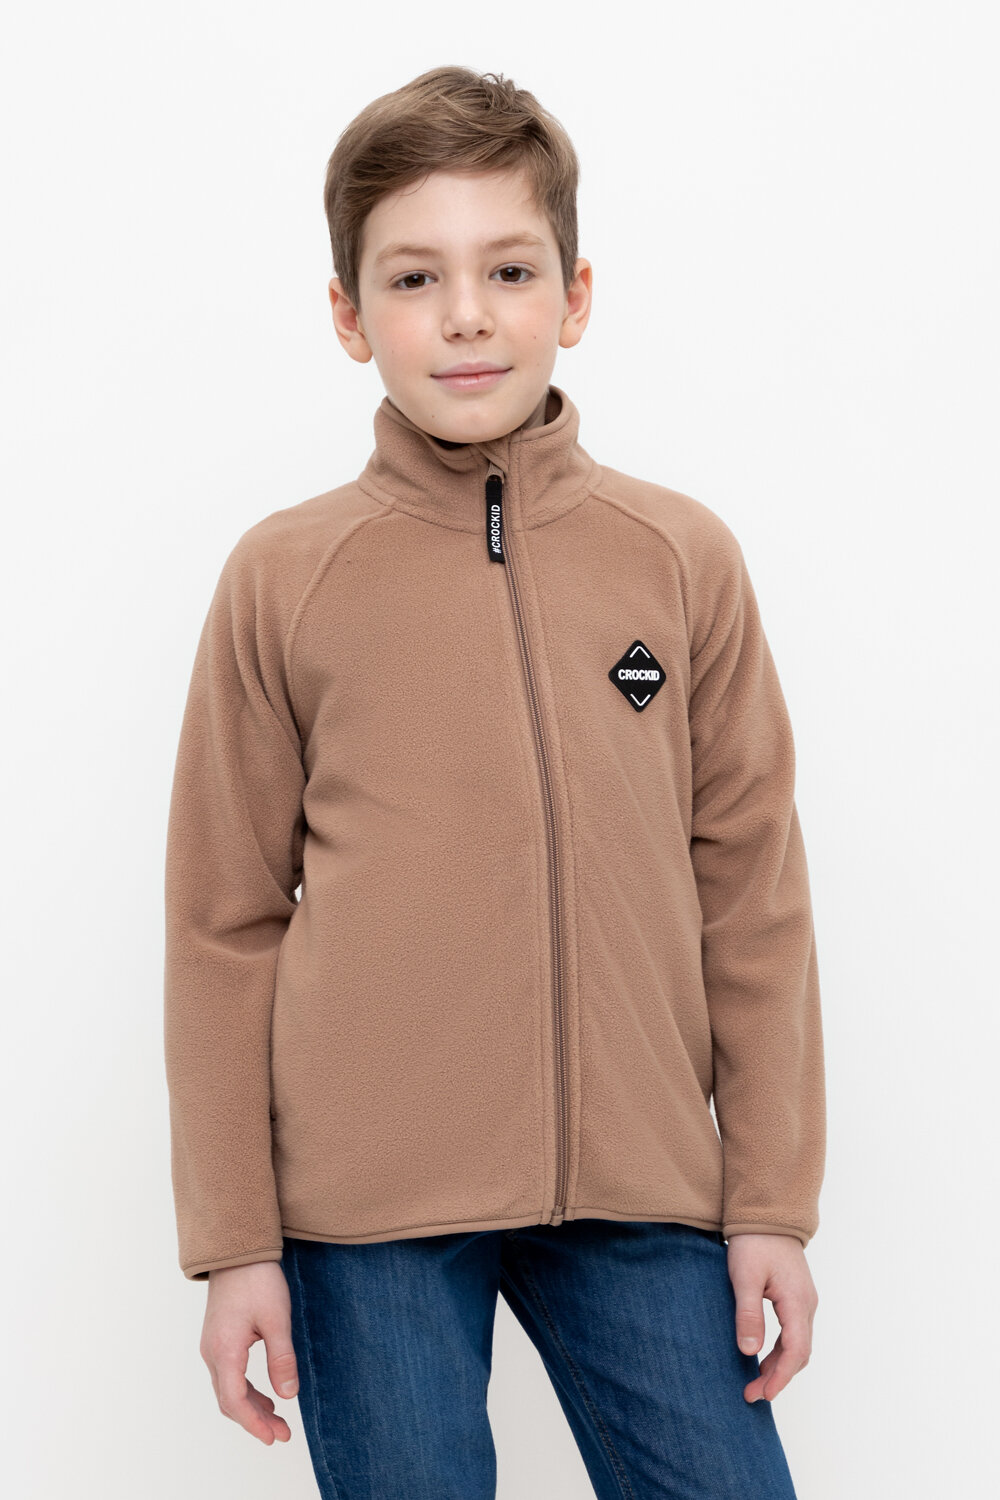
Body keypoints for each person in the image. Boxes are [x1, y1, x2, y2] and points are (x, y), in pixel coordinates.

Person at [163, 64, 826, 1500]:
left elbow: (752, 895)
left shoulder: (680, 560)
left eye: (509, 270)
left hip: (643, 1188)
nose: (466, 314)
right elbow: (223, 925)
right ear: (349, 315)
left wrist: (770, 1199)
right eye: (415, 277)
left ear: (574, 296)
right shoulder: (286, 578)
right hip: (367, 1219)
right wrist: (236, 1242)